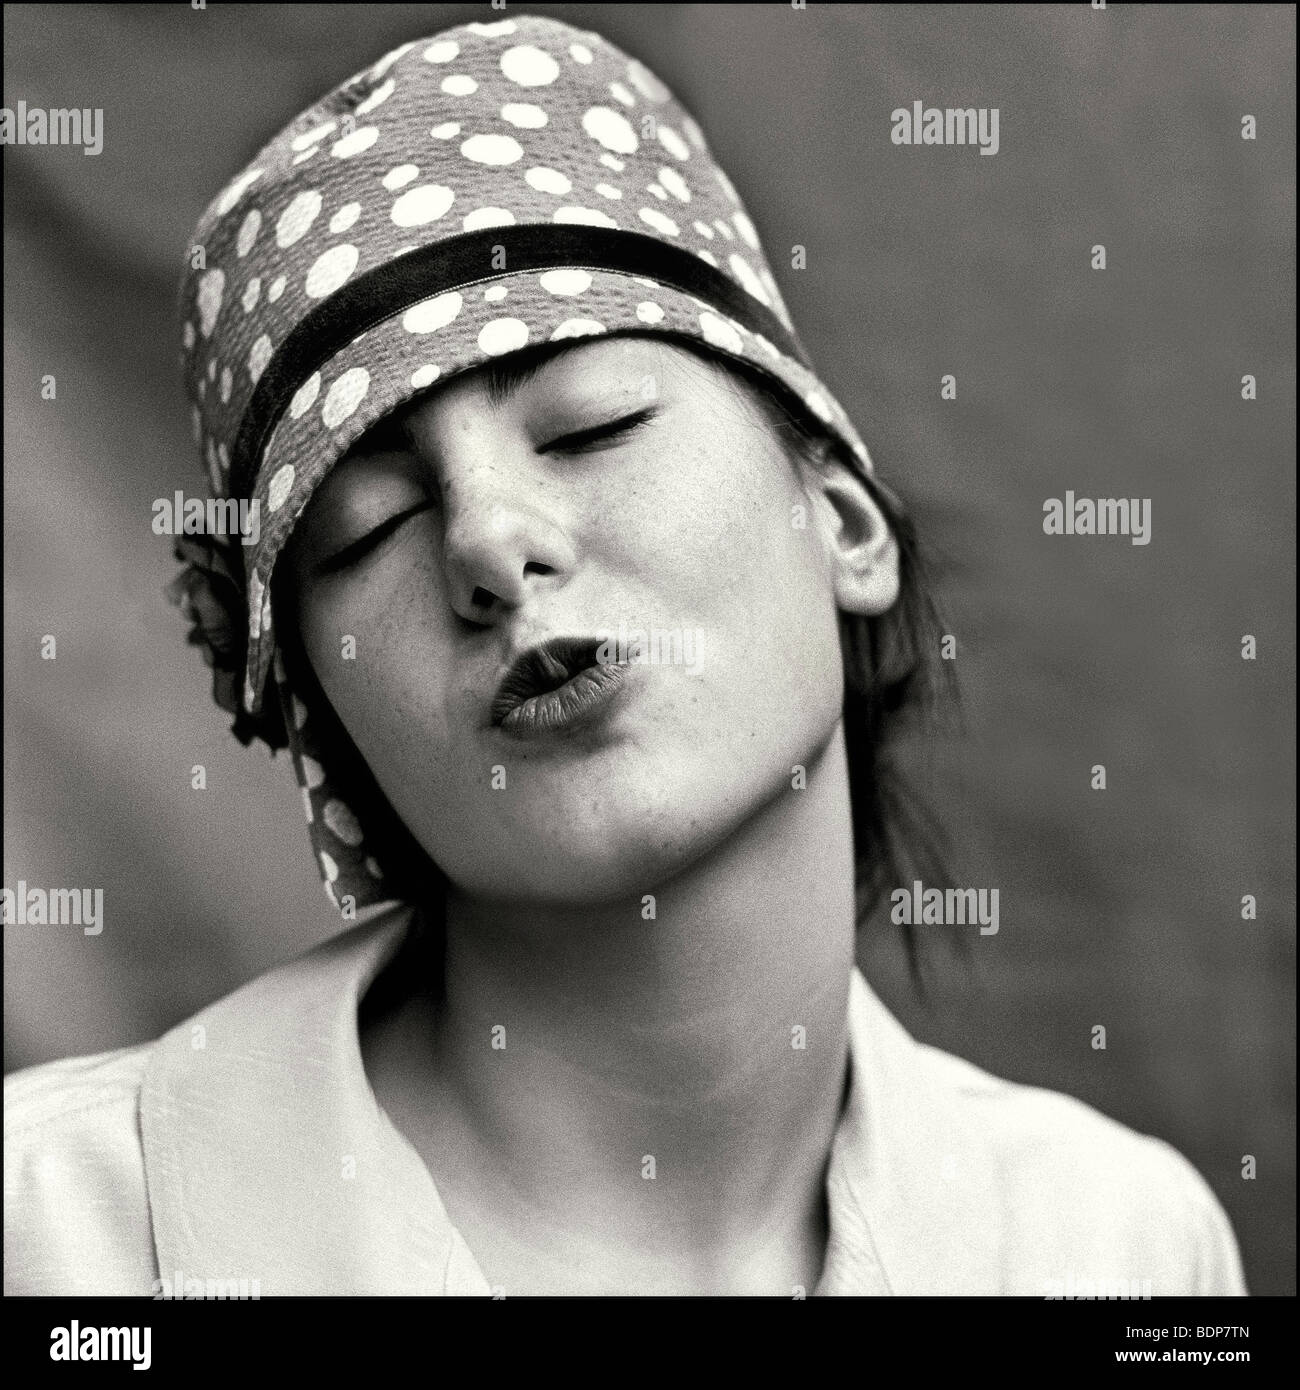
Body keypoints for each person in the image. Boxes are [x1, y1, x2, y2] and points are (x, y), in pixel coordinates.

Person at [4, 14, 1246, 1297]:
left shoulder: (1121, 1248)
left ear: (844, 524)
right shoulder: (52, 1236)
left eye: (590, 426)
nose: (490, 542)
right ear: (319, 709)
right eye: (370, 524)